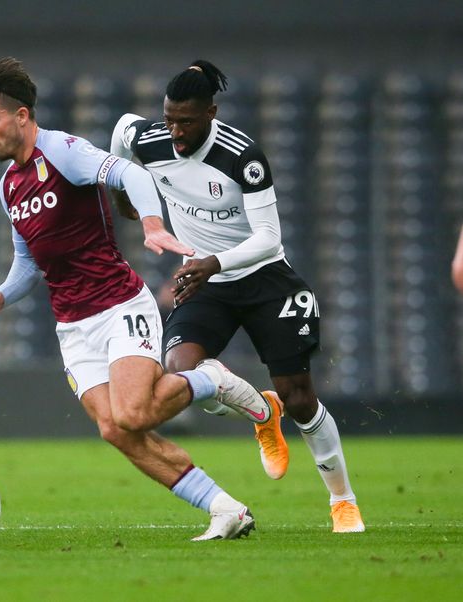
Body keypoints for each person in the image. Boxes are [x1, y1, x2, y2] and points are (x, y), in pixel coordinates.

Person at [0, 57, 272, 541]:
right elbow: (29, 261)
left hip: (118, 307)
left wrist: (152, 223)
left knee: (134, 413)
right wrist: (0, 296)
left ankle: (209, 378)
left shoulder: (63, 151)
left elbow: (132, 177)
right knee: (115, 430)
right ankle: (226, 508)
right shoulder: (10, 186)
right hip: (73, 326)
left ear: (22, 115)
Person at [109, 60, 364, 533]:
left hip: (265, 281)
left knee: (302, 399)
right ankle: (261, 411)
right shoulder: (152, 138)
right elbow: (123, 132)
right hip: (208, 286)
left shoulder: (242, 155)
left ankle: (342, 501)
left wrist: (213, 262)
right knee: (180, 376)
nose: (176, 131)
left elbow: (268, 238)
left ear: (212, 112)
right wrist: (124, 193)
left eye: (186, 121)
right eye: (169, 119)